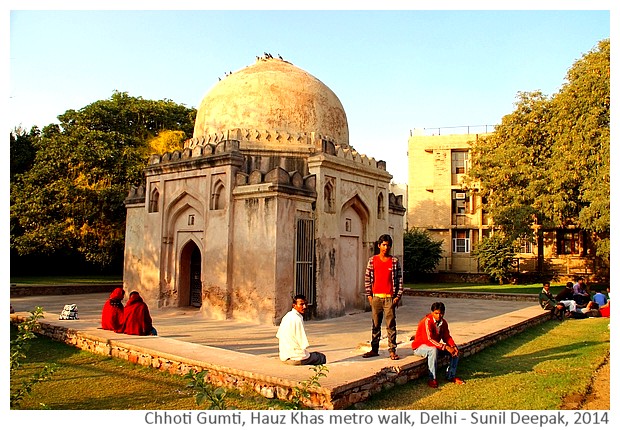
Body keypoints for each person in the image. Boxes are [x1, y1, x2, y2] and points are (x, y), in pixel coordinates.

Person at [362, 234, 403, 360]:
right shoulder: (372, 260)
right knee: (375, 324)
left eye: (388, 245)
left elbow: (399, 279)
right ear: (379, 246)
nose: (386, 247)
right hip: (376, 298)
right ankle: (374, 349)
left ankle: (392, 350)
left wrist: (397, 297)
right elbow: (368, 278)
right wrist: (369, 295)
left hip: (390, 298)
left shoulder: (394, 261)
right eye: (384, 245)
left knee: (391, 324)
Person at [411, 302, 464, 388]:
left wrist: (453, 346)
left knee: (454, 351)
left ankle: (451, 376)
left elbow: (446, 336)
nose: (439, 316)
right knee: (433, 350)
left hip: (434, 345)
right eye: (436, 313)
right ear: (432, 312)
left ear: (444, 313)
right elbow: (429, 340)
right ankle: (432, 379)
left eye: (441, 313)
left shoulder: (443, 323)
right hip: (420, 347)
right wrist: (445, 347)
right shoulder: (426, 322)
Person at [276, 294, 326, 365]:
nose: (304, 307)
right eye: (301, 304)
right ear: (294, 305)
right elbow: (302, 342)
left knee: (312, 355)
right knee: (321, 357)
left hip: (284, 357)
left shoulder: (287, 316)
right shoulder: (297, 319)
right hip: (296, 358)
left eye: (305, 304)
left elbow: (279, 335)